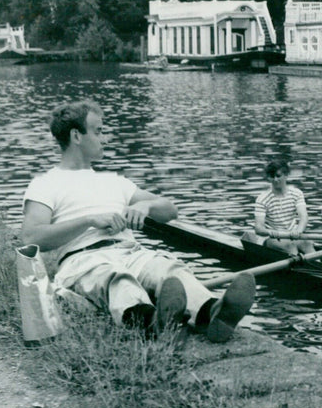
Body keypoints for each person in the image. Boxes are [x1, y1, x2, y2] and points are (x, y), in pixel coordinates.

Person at [21, 99, 256, 342]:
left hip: (130, 252)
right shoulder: (45, 184)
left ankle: (211, 314)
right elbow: (31, 238)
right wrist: (89, 220)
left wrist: (146, 204)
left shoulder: (115, 181)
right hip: (83, 259)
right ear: (76, 136)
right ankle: (151, 323)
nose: (106, 139)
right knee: (116, 278)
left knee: (168, 269)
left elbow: (170, 211)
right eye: (99, 131)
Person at [242, 159, 315, 255]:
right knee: (290, 247)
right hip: (272, 238)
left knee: (308, 244)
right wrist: (273, 233)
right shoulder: (262, 198)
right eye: (272, 176)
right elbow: (259, 228)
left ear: (286, 175)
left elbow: (304, 217)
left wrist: (299, 231)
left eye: (278, 176)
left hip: (293, 235)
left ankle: (320, 265)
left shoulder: (297, 193)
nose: (275, 179)